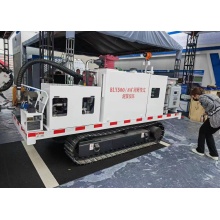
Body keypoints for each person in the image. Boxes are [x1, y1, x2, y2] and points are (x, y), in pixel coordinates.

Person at [191, 87, 220, 161]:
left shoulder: (201, 97)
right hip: (217, 117)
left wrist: (207, 112)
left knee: (202, 130)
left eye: (193, 96)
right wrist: (207, 113)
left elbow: (211, 105)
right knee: (208, 133)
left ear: (196, 95)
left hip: (216, 118)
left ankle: (200, 150)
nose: (193, 98)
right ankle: (214, 154)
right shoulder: (209, 95)